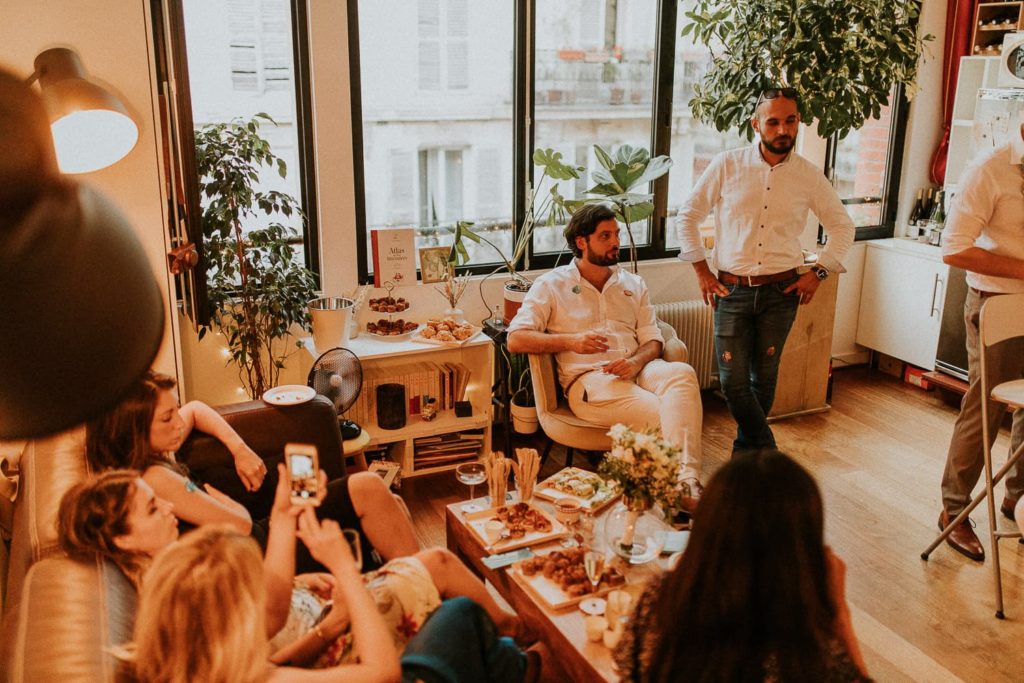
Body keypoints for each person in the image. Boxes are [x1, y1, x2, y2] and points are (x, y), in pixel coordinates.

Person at [58, 470, 536, 682]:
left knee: (384, 500)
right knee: (440, 569)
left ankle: (507, 648)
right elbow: (261, 637)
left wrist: (301, 579)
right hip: (328, 638)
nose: (168, 507)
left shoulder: (174, 571)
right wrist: (340, 594)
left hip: (318, 618)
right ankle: (516, 638)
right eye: (151, 507)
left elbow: (256, 629)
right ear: (120, 538)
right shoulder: (178, 591)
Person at [86, 370, 419, 572]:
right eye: (167, 418)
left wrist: (239, 449)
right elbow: (241, 524)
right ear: (133, 429)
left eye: (173, 411)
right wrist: (218, 497)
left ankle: (402, 584)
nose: (177, 423)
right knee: (369, 488)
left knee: (393, 506)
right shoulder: (155, 479)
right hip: (258, 553)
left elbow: (197, 409)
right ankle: (423, 585)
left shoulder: (155, 450)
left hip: (262, 533)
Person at [676, 87, 855, 455]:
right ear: (756, 124)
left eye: (789, 120)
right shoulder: (727, 165)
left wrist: (818, 273)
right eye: (773, 121)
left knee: (764, 378)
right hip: (731, 291)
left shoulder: (808, 176)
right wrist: (701, 272)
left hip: (782, 293)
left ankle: (747, 457)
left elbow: (843, 228)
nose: (782, 129)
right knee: (732, 383)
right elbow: (688, 215)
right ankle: (767, 452)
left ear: (797, 122)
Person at [613, 450, 870, 682]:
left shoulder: (661, 600)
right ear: (801, 548)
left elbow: (627, 671)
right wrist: (840, 614)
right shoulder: (805, 653)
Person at [507, 203, 704, 503]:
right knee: (662, 412)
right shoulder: (550, 285)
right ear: (581, 242)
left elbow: (653, 340)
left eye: (617, 234)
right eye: (605, 236)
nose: (615, 242)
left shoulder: (633, 284)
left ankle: (683, 484)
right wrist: (572, 342)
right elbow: (516, 339)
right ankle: (672, 491)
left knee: (682, 374)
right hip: (591, 380)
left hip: (638, 367)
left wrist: (635, 361)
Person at [936, 117, 1024, 562]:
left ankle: (1018, 500)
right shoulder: (990, 169)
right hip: (997, 305)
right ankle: (954, 512)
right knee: (985, 408)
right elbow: (953, 247)